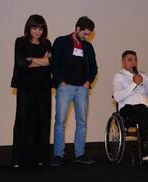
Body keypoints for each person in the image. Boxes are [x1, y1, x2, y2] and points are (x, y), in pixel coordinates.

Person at [50, 16, 98, 166]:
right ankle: (58, 155)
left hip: (82, 89)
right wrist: (60, 82)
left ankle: (80, 154)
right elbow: (54, 63)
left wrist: (88, 81)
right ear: (77, 29)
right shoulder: (61, 42)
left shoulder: (88, 47)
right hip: (65, 88)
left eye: (88, 34)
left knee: (82, 122)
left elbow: (94, 67)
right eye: (85, 33)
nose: (86, 37)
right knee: (60, 122)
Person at [10, 14, 52, 168]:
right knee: (23, 119)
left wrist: (31, 59)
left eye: (40, 28)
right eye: (35, 28)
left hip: (43, 88)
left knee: (42, 120)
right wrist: (41, 60)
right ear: (29, 28)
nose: (37, 31)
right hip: (25, 88)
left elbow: (50, 62)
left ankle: (41, 158)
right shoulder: (20, 41)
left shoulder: (47, 43)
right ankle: (18, 159)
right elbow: (21, 63)